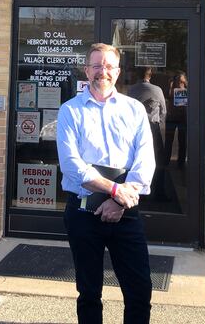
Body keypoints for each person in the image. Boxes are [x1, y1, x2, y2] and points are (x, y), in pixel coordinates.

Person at [57, 43, 156, 324]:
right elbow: (72, 166)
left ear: (118, 71)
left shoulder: (134, 109)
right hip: (83, 213)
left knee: (139, 290)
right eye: (97, 65)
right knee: (89, 293)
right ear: (87, 70)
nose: (103, 71)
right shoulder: (70, 111)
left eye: (109, 66)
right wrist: (114, 190)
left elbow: (145, 161)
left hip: (126, 212)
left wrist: (119, 202)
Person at [127, 67, 167, 198]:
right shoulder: (157, 89)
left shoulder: (131, 89)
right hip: (152, 127)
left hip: (134, 127)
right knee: (157, 158)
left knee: (135, 157)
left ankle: (136, 190)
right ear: (151, 75)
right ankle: (159, 190)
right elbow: (163, 111)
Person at [164, 72, 188, 169]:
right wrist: (170, 85)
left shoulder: (186, 90)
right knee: (169, 141)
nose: (180, 84)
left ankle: (181, 163)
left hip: (182, 118)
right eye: (178, 81)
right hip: (172, 118)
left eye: (182, 82)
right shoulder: (172, 90)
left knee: (182, 141)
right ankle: (166, 161)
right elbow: (167, 95)